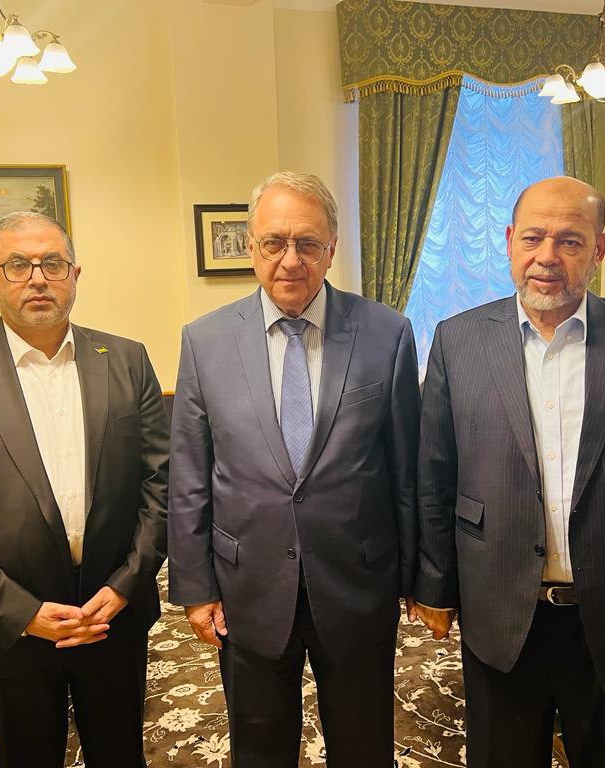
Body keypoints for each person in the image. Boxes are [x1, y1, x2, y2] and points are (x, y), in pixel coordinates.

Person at [413, 176, 605, 768]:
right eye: (533, 238)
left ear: (599, 249)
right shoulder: (458, 341)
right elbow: (435, 476)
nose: (547, 257)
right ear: (509, 241)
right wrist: (434, 586)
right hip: (501, 612)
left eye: (570, 241)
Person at [168, 172, 420, 767]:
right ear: (250, 246)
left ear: (332, 248)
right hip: (247, 583)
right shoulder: (205, 341)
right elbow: (190, 475)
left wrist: (417, 578)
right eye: (274, 242)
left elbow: (406, 470)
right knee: (259, 745)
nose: (290, 260)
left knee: (363, 744)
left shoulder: (387, 333)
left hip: (358, 581)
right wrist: (196, 589)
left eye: (307, 243)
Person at [0, 211, 169, 768]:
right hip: (11, 628)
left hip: (112, 613)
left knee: (121, 754)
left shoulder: (126, 360)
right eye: (18, 265)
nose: (38, 278)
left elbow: (161, 483)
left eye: (52, 263)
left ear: (75, 274)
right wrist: (22, 612)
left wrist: (126, 584)